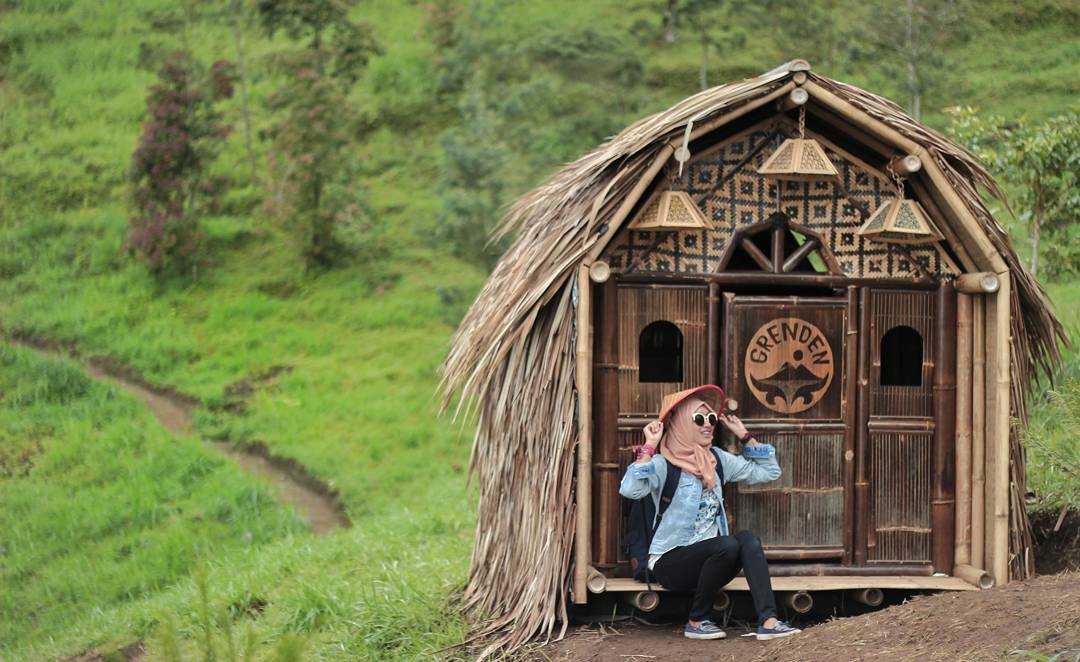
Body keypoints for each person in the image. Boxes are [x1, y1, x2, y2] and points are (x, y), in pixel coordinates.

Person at [619, 384, 801, 641]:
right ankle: (697, 620)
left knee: (747, 539)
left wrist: (745, 436)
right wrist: (649, 446)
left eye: (711, 419)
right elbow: (629, 489)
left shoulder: (716, 459)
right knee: (726, 545)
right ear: (682, 423)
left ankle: (769, 621)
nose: (708, 425)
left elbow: (769, 473)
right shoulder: (663, 464)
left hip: (712, 561)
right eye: (699, 419)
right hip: (670, 563)